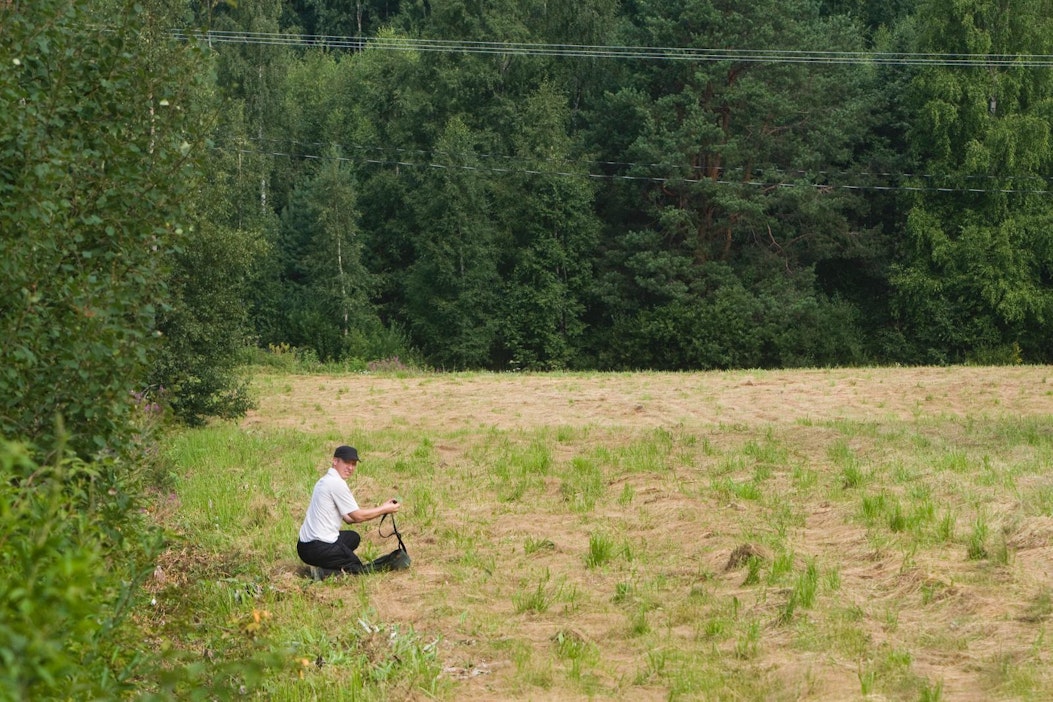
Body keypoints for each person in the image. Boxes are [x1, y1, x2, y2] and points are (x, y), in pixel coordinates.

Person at [297, 445, 400, 577]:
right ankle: (322, 573)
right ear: (335, 461)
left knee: (353, 538)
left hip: (304, 545)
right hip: (318, 547)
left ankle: (328, 562)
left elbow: (349, 519)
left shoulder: (325, 480)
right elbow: (357, 516)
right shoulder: (336, 483)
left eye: (353, 464)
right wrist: (384, 509)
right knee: (358, 568)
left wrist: (384, 509)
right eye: (346, 462)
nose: (350, 468)